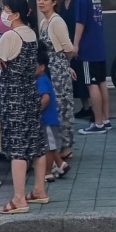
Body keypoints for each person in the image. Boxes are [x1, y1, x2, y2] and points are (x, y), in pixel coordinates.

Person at [0, 0, 49, 214]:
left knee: (17, 149)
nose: (3, 14)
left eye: (6, 10)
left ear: (15, 14)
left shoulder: (10, 36)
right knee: (36, 143)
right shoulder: (31, 34)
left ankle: (18, 199)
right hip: (30, 91)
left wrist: (1, 62)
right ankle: (39, 190)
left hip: (13, 96)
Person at [35, 0, 76, 170]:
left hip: (58, 69)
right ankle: (56, 147)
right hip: (49, 69)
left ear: (54, 2)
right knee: (55, 106)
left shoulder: (57, 21)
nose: (41, 2)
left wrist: (64, 65)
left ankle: (65, 146)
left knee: (62, 106)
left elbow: (69, 48)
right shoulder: (44, 22)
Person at [71, 0, 112, 135]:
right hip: (99, 45)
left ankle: (98, 123)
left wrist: (75, 44)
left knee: (91, 83)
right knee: (101, 82)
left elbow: (80, 22)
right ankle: (106, 119)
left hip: (87, 47)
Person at [36, 44, 64, 180]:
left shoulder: (41, 80)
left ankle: (47, 172)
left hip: (47, 120)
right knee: (51, 146)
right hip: (50, 119)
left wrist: (37, 110)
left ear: (42, 67)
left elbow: (45, 99)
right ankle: (60, 164)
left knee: (48, 148)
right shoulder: (43, 79)